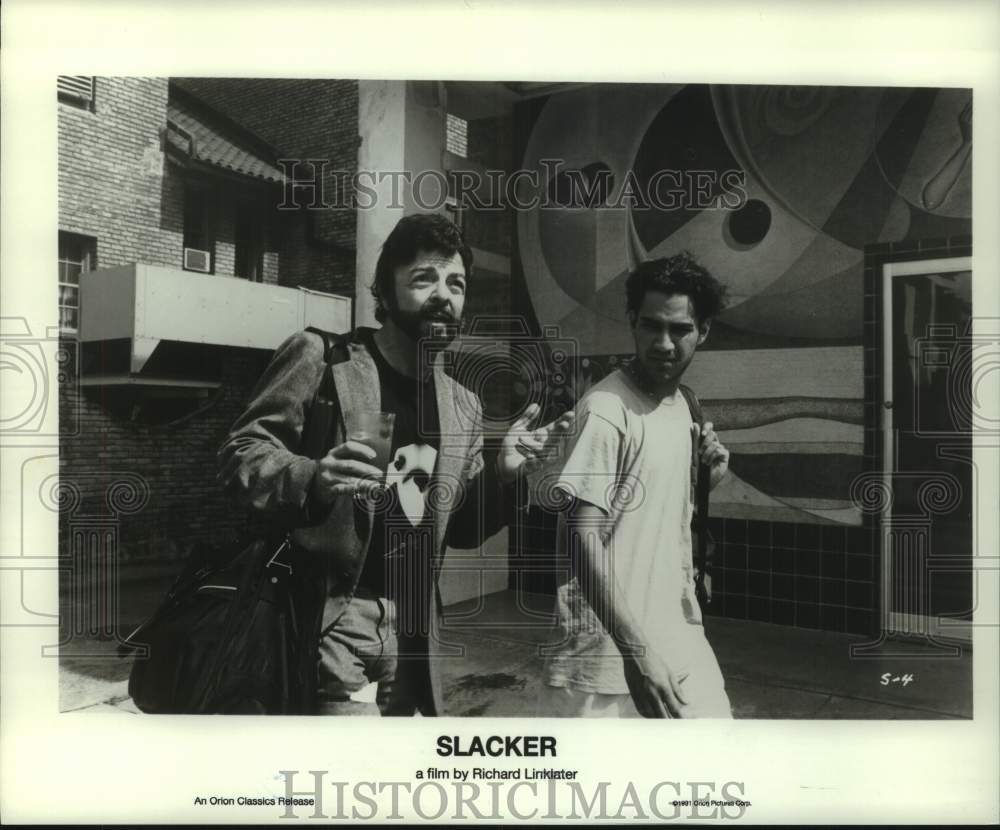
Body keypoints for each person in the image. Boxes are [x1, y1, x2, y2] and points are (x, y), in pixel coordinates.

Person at [218, 213, 573, 716]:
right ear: (385, 292)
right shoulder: (325, 359)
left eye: (456, 283)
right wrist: (312, 477)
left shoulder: (462, 405)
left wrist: (503, 474)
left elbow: (463, 527)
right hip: (331, 618)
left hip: (414, 635)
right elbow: (240, 456)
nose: (443, 296)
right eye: (423, 279)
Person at [537, 251, 732, 718]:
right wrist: (637, 653)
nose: (664, 343)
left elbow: (659, 506)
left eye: (680, 329)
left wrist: (709, 475)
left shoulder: (685, 404)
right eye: (651, 326)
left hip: (678, 636)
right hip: (605, 660)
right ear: (633, 323)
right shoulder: (607, 409)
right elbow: (584, 535)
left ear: (703, 331)